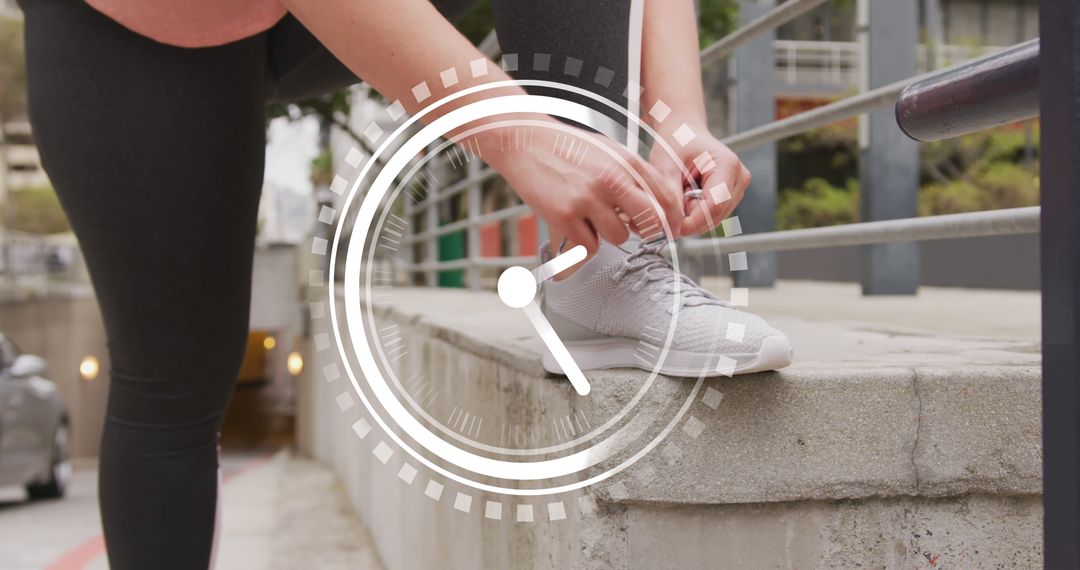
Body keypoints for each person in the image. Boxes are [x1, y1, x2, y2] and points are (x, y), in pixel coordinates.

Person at [18, 0, 789, 567]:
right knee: (174, 383)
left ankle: (598, 271)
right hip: (139, 24)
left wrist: (679, 121)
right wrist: (516, 133)